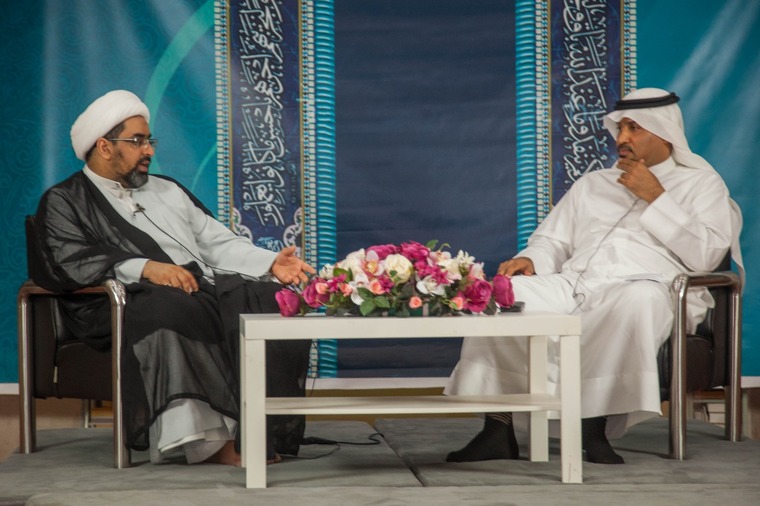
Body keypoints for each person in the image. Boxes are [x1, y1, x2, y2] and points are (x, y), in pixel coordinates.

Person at [444, 88, 743, 464]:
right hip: (575, 285)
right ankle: (497, 429)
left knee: (636, 300)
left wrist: (657, 197)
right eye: (620, 128)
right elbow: (553, 241)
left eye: (634, 128)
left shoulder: (701, 185)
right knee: (505, 295)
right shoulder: (592, 184)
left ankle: (592, 426)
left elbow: (707, 255)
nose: (621, 138)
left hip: (650, 287)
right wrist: (531, 259)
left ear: (664, 132)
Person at [33, 89, 316, 466]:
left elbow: (216, 243)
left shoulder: (168, 189)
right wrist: (146, 268)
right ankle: (206, 444)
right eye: (137, 141)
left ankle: (257, 430)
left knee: (269, 301)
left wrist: (270, 264)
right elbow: (71, 258)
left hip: (197, 290)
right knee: (172, 308)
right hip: (119, 302)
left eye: (150, 140)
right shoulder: (65, 200)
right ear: (104, 147)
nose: (148, 150)